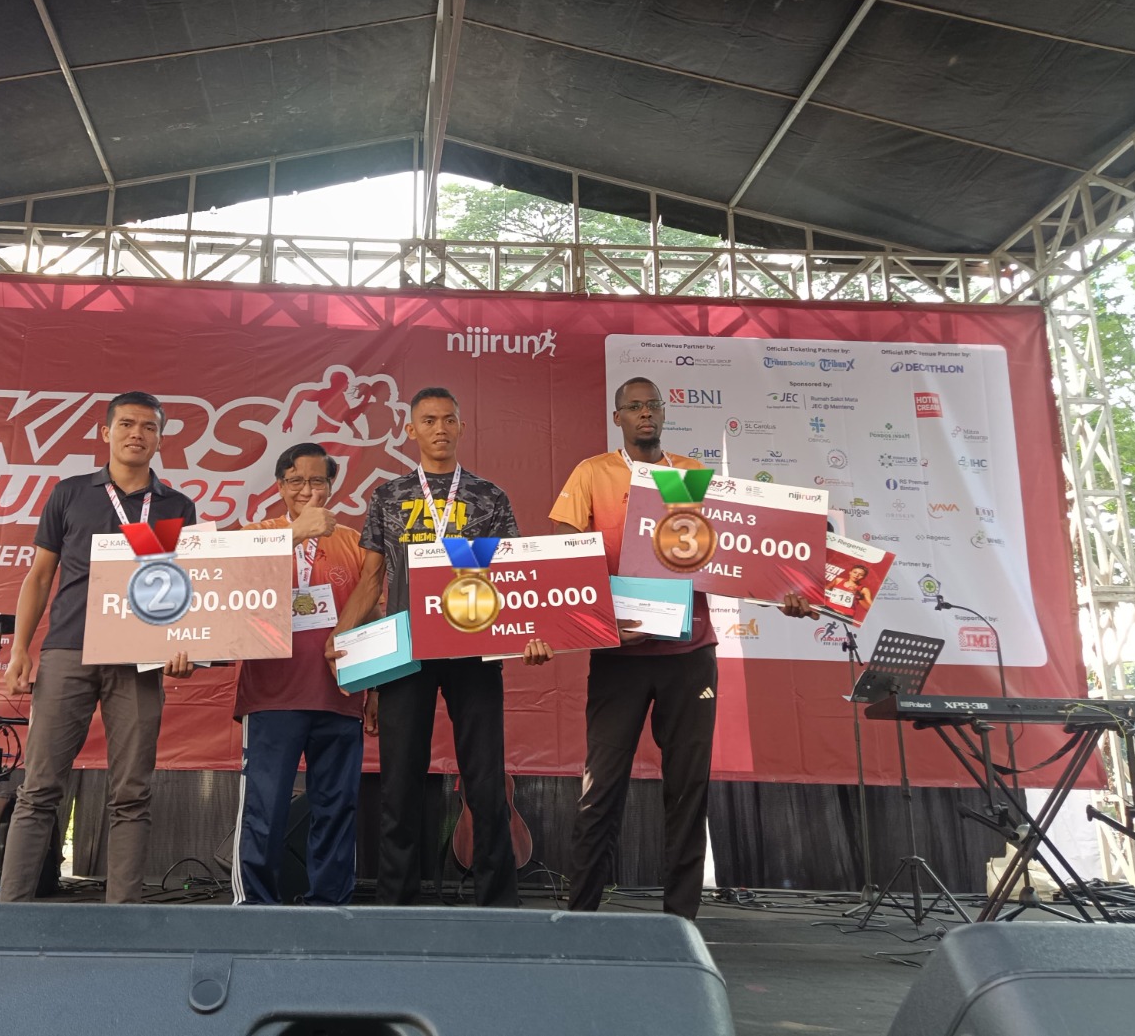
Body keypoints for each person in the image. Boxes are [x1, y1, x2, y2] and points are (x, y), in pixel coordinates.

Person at [550, 377, 814, 919]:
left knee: (688, 792)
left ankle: (682, 921)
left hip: (689, 654)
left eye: (653, 405)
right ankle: (579, 919)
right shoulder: (592, 473)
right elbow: (563, 557)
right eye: (634, 407)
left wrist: (787, 591)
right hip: (620, 656)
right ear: (618, 417)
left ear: (664, 414)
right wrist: (593, 617)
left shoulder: (693, 476)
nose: (645, 413)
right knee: (600, 790)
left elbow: (738, 555)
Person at [328, 386, 537, 908]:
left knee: (485, 779)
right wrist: (342, 636)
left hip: (474, 650)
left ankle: (498, 903)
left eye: (448, 419)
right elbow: (371, 578)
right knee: (400, 779)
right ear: (411, 430)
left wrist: (532, 633)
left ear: (462, 426)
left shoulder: (489, 496)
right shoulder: (389, 495)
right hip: (406, 650)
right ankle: (396, 902)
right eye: (428, 420)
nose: (439, 428)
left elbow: (514, 576)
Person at [0, 391, 198, 904]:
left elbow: (180, 585)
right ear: (106, 432)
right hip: (68, 650)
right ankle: (9, 913)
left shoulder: (175, 506)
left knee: (132, 791)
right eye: (126, 424)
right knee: (40, 787)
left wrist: (182, 646)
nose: (137, 434)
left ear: (160, 439)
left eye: (148, 427)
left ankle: (122, 918)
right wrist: (21, 649)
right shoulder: (70, 493)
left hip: (138, 658)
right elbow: (39, 576)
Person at [232, 442, 381, 905]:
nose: (307, 490)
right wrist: (295, 534)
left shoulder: (354, 541)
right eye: (296, 481)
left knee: (337, 807)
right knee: (266, 807)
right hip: (272, 696)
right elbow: (231, 582)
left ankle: (329, 905)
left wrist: (374, 686)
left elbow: (373, 613)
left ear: (332, 486)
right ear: (280, 487)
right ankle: (255, 905)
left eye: (317, 480)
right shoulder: (257, 534)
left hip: (340, 695)